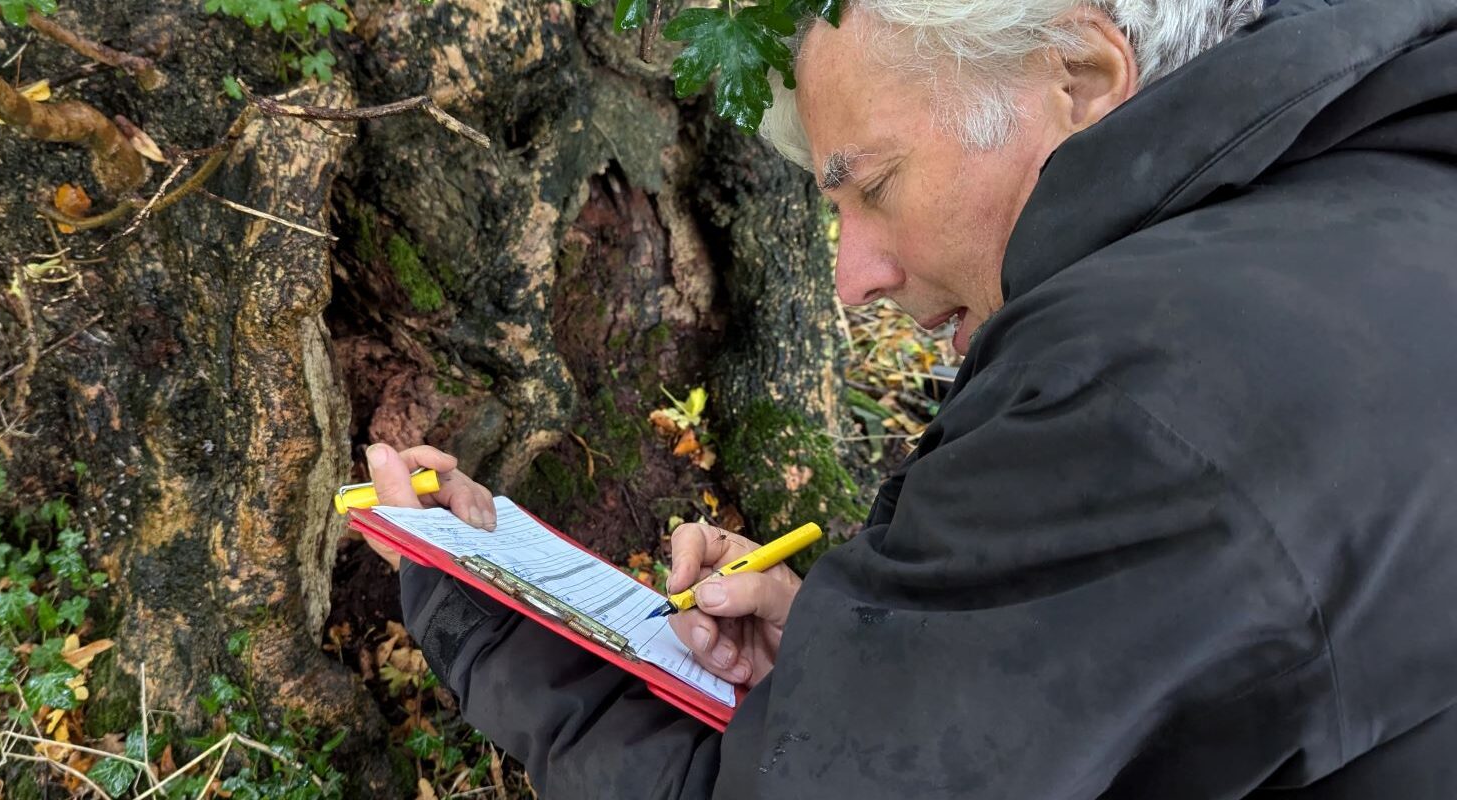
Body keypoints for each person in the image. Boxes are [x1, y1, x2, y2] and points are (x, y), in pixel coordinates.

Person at [361, 0, 1457, 796]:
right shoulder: (1381, 190)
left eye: (872, 185)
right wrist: (883, 648)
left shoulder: (1135, 390)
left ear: (1078, 78)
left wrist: (482, 607)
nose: (851, 278)